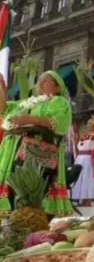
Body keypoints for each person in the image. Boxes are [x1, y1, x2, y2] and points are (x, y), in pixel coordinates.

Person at [0, 71, 73, 216]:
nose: (40, 83)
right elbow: (3, 109)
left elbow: (56, 124)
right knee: (12, 186)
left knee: (27, 191)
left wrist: (30, 119)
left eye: (45, 80)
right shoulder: (29, 102)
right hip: (12, 149)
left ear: (57, 88)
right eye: (39, 80)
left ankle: (29, 219)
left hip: (37, 151)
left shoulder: (59, 102)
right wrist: (1, 87)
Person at [71, 116, 94, 206]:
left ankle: (88, 201)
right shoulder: (84, 135)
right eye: (88, 123)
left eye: (91, 123)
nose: (89, 125)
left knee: (88, 180)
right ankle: (82, 200)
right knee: (79, 180)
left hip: (89, 160)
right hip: (80, 159)